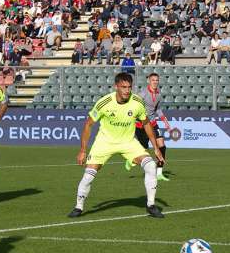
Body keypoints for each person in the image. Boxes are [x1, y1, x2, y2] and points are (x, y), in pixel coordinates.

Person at [68, 72, 165, 218]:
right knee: (88, 176)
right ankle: (78, 207)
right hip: (105, 142)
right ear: (116, 87)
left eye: (129, 87)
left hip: (128, 142)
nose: (127, 90)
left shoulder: (137, 102)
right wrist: (83, 150)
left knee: (151, 165)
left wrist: (156, 148)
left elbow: (146, 123)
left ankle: (151, 205)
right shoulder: (104, 102)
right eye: (123, 87)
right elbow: (88, 124)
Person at [125, 73, 172, 181]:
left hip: (153, 123)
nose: (155, 82)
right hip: (141, 125)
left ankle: (159, 173)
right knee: (143, 150)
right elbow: (133, 106)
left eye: (157, 80)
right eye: (153, 80)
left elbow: (158, 109)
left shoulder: (159, 95)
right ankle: (131, 159)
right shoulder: (142, 94)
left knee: (162, 146)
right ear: (149, 81)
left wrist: (165, 122)